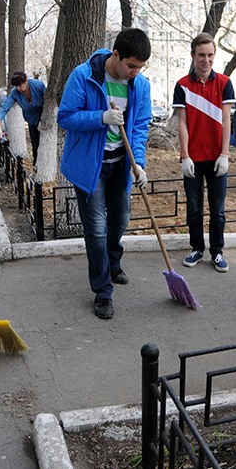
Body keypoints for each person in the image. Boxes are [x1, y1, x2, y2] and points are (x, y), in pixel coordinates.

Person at [57, 28, 152, 320]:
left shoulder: (140, 85)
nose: (134, 72)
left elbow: (139, 126)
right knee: (96, 230)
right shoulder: (83, 76)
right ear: (116, 55)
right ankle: (102, 291)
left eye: (139, 68)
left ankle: (113, 262)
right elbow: (65, 117)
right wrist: (101, 117)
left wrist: (139, 162)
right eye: (131, 65)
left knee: (120, 220)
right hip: (91, 167)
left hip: (121, 165)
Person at [173, 32, 236, 273]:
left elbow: (226, 120)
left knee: (218, 209)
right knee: (194, 208)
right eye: (201, 55)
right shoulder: (182, 85)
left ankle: (217, 251)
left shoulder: (224, 83)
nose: (206, 60)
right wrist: (186, 156)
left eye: (210, 55)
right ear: (193, 56)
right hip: (194, 159)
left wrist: (224, 154)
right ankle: (197, 248)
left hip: (216, 157)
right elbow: (183, 123)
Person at [0, 71, 46, 163]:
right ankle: (36, 165)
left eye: (20, 85)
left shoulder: (38, 85)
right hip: (32, 120)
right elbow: (5, 107)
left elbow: (49, 102)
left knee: (47, 144)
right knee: (35, 144)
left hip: (45, 118)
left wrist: (44, 118)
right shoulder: (15, 93)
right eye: (16, 86)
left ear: (26, 81)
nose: (19, 88)